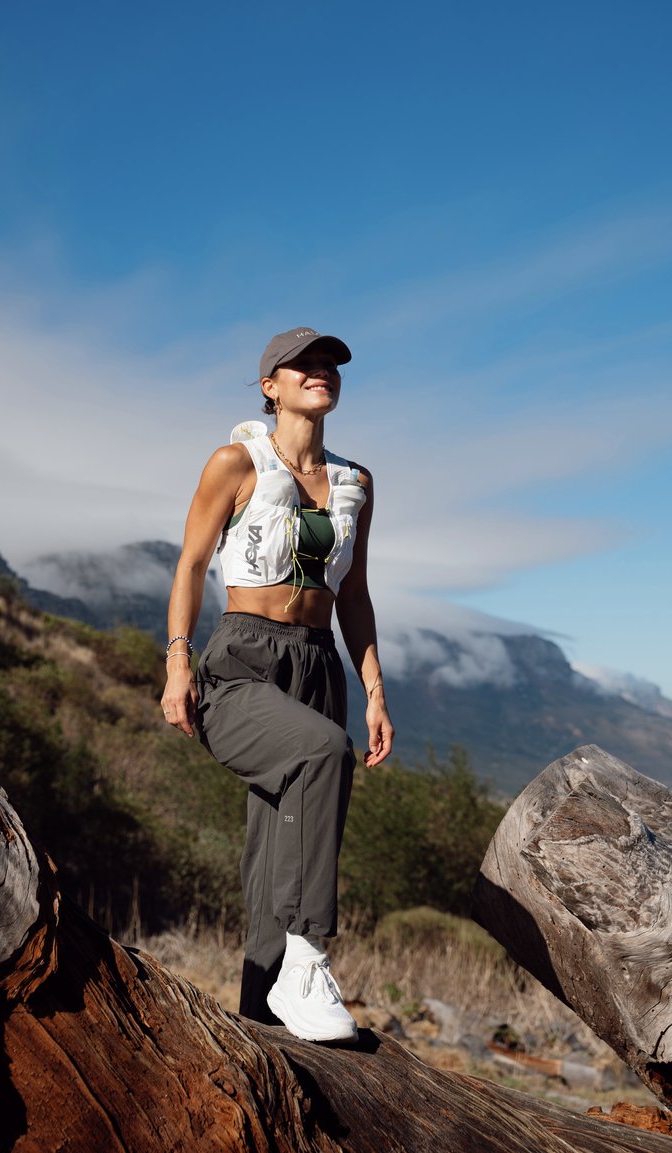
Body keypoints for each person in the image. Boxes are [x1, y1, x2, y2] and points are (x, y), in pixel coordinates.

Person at [161, 326, 394, 1043]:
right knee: (324, 753)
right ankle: (311, 953)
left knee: (274, 854)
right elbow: (191, 566)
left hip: (319, 662)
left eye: (331, 366)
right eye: (306, 365)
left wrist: (376, 689)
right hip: (242, 661)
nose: (322, 372)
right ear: (271, 386)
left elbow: (353, 593)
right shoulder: (237, 462)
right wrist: (177, 661)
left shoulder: (357, 482)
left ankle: (261, 1028)